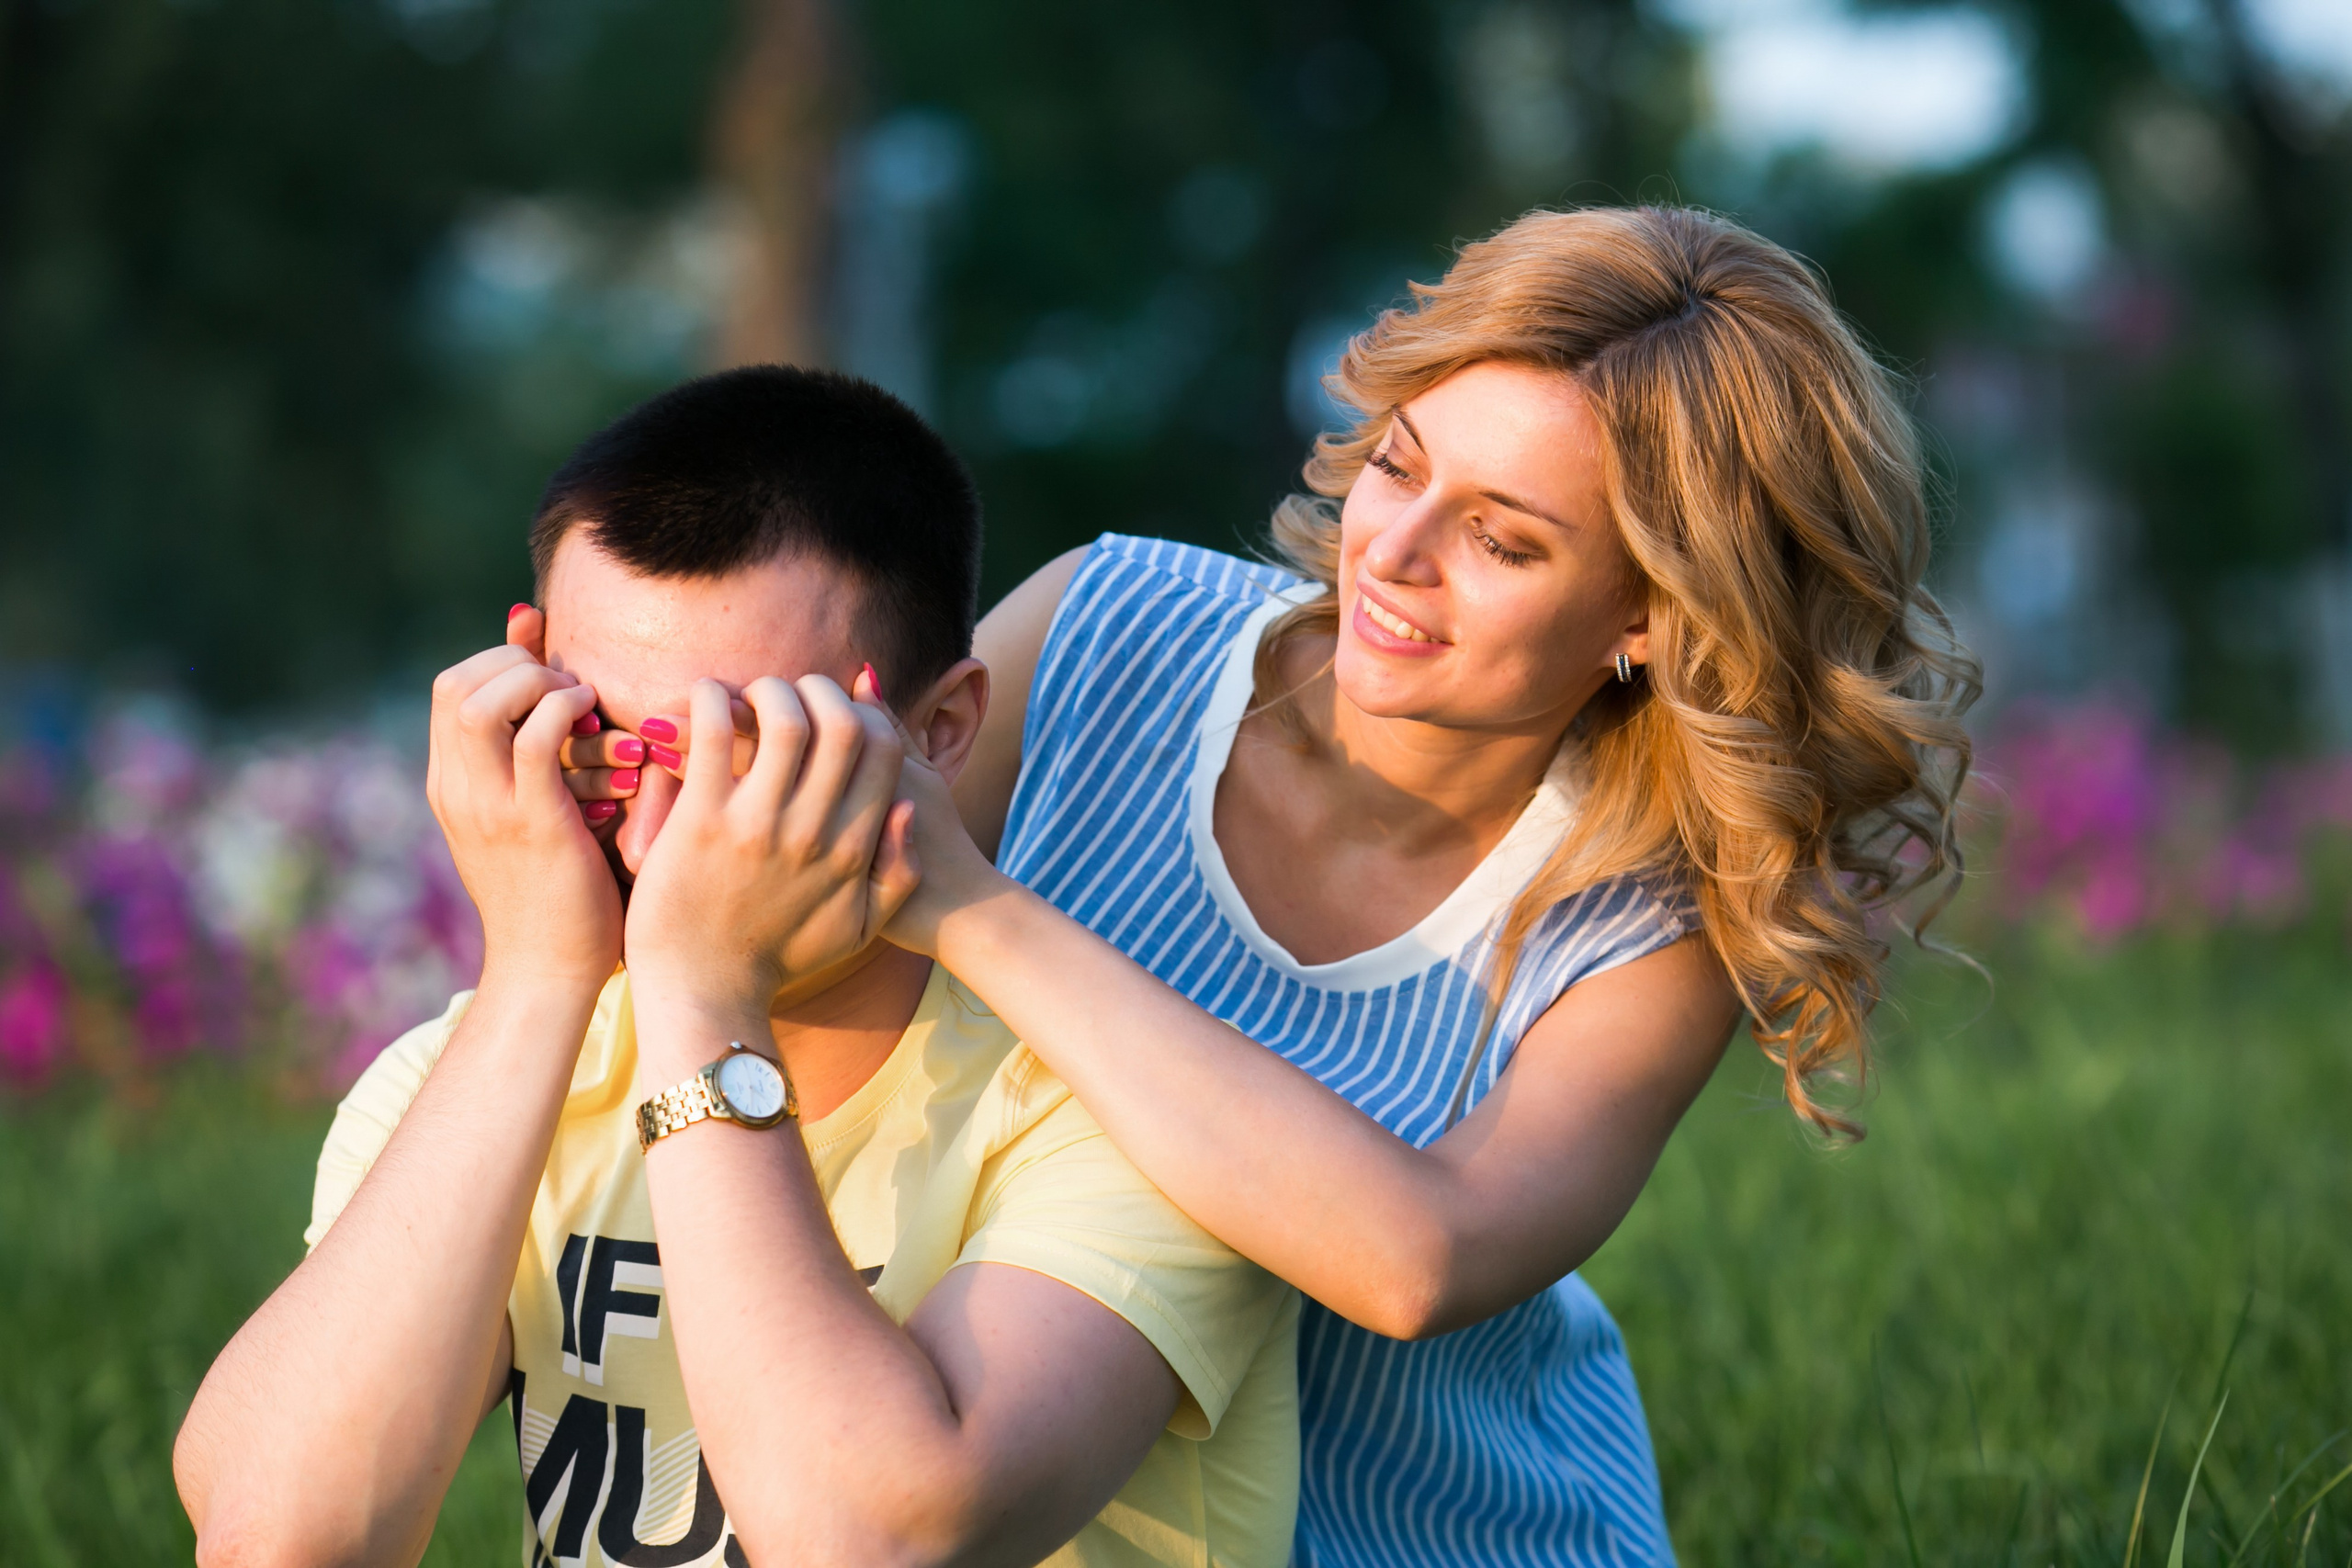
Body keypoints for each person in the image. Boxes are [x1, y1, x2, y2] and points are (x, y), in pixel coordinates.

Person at [863, 206, 1979, 1564]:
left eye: (1503, 542)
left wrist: (967, 905)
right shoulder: (1095, 633)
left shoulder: (1651, 918)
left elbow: (1417, 1260)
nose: (1390, 552)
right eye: (1400, 466)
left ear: (1651, 615)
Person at [172, 367, 1300, 1568]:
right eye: (606, 746)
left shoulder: (1142, 1114)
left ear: (940, 731)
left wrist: (699, 996)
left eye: (745, 757)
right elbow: (280, 1537)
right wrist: (539, 980)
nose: (660, 835)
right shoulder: (490, 1066)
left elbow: (865, 1545)